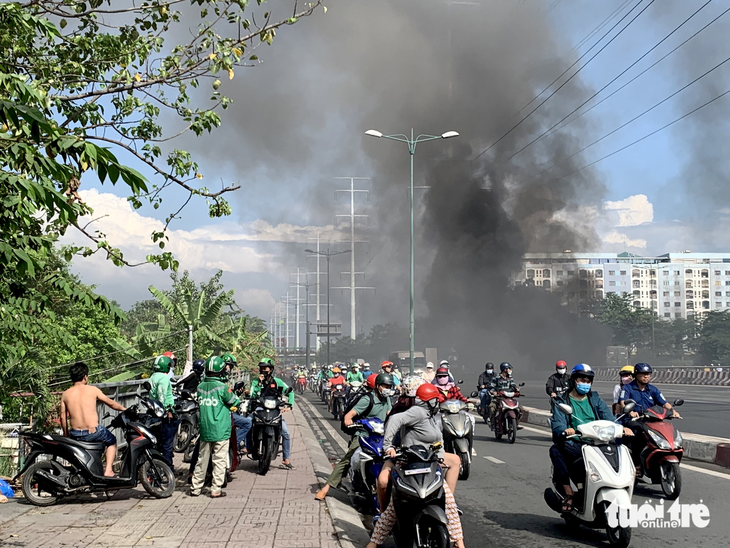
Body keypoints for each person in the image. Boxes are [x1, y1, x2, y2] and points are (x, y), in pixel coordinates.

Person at [367, 383, 465, 548]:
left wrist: (440, 456)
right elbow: (395, 419)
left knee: (448, 499)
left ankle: (459, 542)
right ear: (428, 400)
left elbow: (438, 441)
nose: (437, 401)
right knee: (394, 504)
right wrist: (388, 446)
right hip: (407, 462)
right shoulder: (417, 411)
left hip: (428, 462)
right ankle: (374, 542)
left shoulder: (432, 415)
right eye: (435, 399)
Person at [549, 363, 633, 512]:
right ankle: (568, 492)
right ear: (574, 380)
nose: (585, 384)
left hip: (598, 441)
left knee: (621, 449)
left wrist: (621, 427)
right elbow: (558, 422)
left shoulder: (594, 398)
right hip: (576, 443)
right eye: (582, 380)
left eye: (588, 381)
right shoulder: (563, 401)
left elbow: (608, 417)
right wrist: (564, 430)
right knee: (556, 449)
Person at [315, 372, 393, 501]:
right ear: (378, 386)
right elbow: (349, 415)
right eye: (385, 386)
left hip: (381, 435)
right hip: (364, 435)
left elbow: (390, 413)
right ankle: (326, 488)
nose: (387, 389)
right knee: (348, 459)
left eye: (389, 387)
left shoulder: (387, 399)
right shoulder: (367, 399)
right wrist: (349, 421)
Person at [60, 362, 126, 477]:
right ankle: (109, 470)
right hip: (93, 432)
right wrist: (125, 409)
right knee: (112, 441)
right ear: (85, 377)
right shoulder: (92, 390)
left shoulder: (65, 394)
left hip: (75, 433)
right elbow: (110, 403)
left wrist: (66, 434)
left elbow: (62, 416)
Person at [188, 356, 240, 498]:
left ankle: (195, 488)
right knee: (219, 460)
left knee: (202, 460)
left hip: (205, 429)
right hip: (220, 429)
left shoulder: (200, 387)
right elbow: (234, 401)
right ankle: (215, 489)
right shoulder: (223, 388)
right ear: (220, 371)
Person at [619, 363, 680, 472]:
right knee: (638, 432)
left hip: (650, 419)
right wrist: (631, 412)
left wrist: (673, 411)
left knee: (665, 428)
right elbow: (622, 402)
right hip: (633, 420)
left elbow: (664, 403)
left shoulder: (652, 389)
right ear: (636, 375)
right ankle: (636, 463)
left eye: (648, 374)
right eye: (643, 374)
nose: (646, 376)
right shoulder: (628, 388)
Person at [249, 358, 296, 470]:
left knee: (285, 432)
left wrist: (289, 405)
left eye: (265, 368)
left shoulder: (277, 382)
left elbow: (290, 392)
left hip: (274, 410)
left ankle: (286, 459)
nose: (263, 370)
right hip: (259, 409)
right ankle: (248, 447)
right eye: (261, 368)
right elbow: (252, 394)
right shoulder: (256, 382)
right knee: (249, 424)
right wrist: (259, 384)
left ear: (270, 369)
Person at [148, 355, 178, 470]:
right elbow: (162, 395)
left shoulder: (153, 377)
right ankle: (168, 467)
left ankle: (157, 466)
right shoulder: (164, 378)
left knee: (158, 441)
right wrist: (167, 410)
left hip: (153, 412)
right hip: (164, 414)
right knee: (167, 442)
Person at [489, 362, 517, 429]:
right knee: (492, 408)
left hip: (509, 398)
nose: (510, 370)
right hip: (499, 398)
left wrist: (516, 389)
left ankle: (516, 423)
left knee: (520, 409)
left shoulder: (510, 378)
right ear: (505, 369)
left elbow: (513, 386)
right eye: (509, 368)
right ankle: (493, 424)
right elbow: (491, 387)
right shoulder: (496, 377)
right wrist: (494, 392)